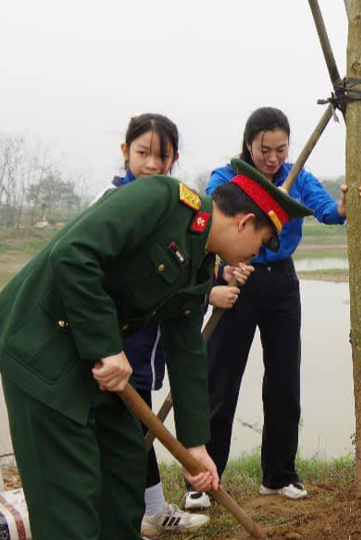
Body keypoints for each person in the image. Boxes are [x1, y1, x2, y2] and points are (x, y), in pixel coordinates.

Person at [0, 155, 311, 540]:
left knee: (124, 465)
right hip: (44, 355)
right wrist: (106, 346)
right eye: (262, 242)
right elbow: (73, 255)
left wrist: (195, 446)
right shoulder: (160, 198)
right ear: (245, 222)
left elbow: (187, 350)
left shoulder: (201, 262)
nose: (258, 253)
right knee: (68, 504)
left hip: (96, 369)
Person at [185, 107, 361, 508]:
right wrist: (225, 271)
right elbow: (215, 219)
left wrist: (343, 203)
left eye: (280, 149)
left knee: (285, 377)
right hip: (238, 273)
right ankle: (202, 480)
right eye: (264, 149)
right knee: (221, 378)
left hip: (281, 282)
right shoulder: (227, 177)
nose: (272, 158)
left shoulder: (299, 177)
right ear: (248, 144)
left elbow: (329, 214)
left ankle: (279, 474)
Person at [92, 113, 252, 537]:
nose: (150, 164)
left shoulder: (176, 209)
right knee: (126, 431)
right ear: (125, 152)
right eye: (142, 153)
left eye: (161, 156)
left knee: (138, 423)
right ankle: (141, 513)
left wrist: (210, 284)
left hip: (147, 346)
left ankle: (152, 508)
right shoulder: (115, 203)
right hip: (114, 345)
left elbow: (176, 280)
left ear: (174, 159)